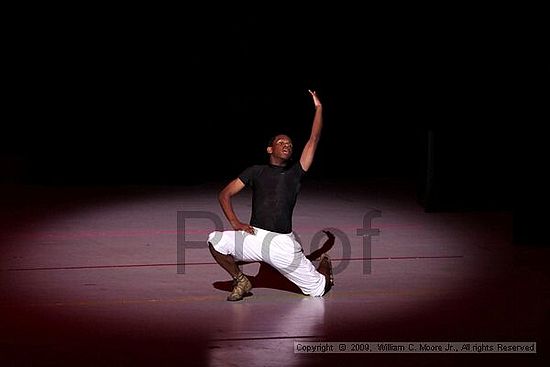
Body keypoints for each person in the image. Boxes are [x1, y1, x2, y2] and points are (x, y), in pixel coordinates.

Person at [207, 90, 333, 301]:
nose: (287, 145)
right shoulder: (255, 171)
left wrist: (319, 108)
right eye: (282, 143)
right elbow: (225, 194)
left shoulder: (295, 172)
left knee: (319, 289)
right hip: (254, 237)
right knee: (215, 241)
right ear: (269, 148)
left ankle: (325, 266)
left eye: (290, 144)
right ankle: (241, 279)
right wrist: (235, 222)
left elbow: (313, 138)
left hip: (282, 245)